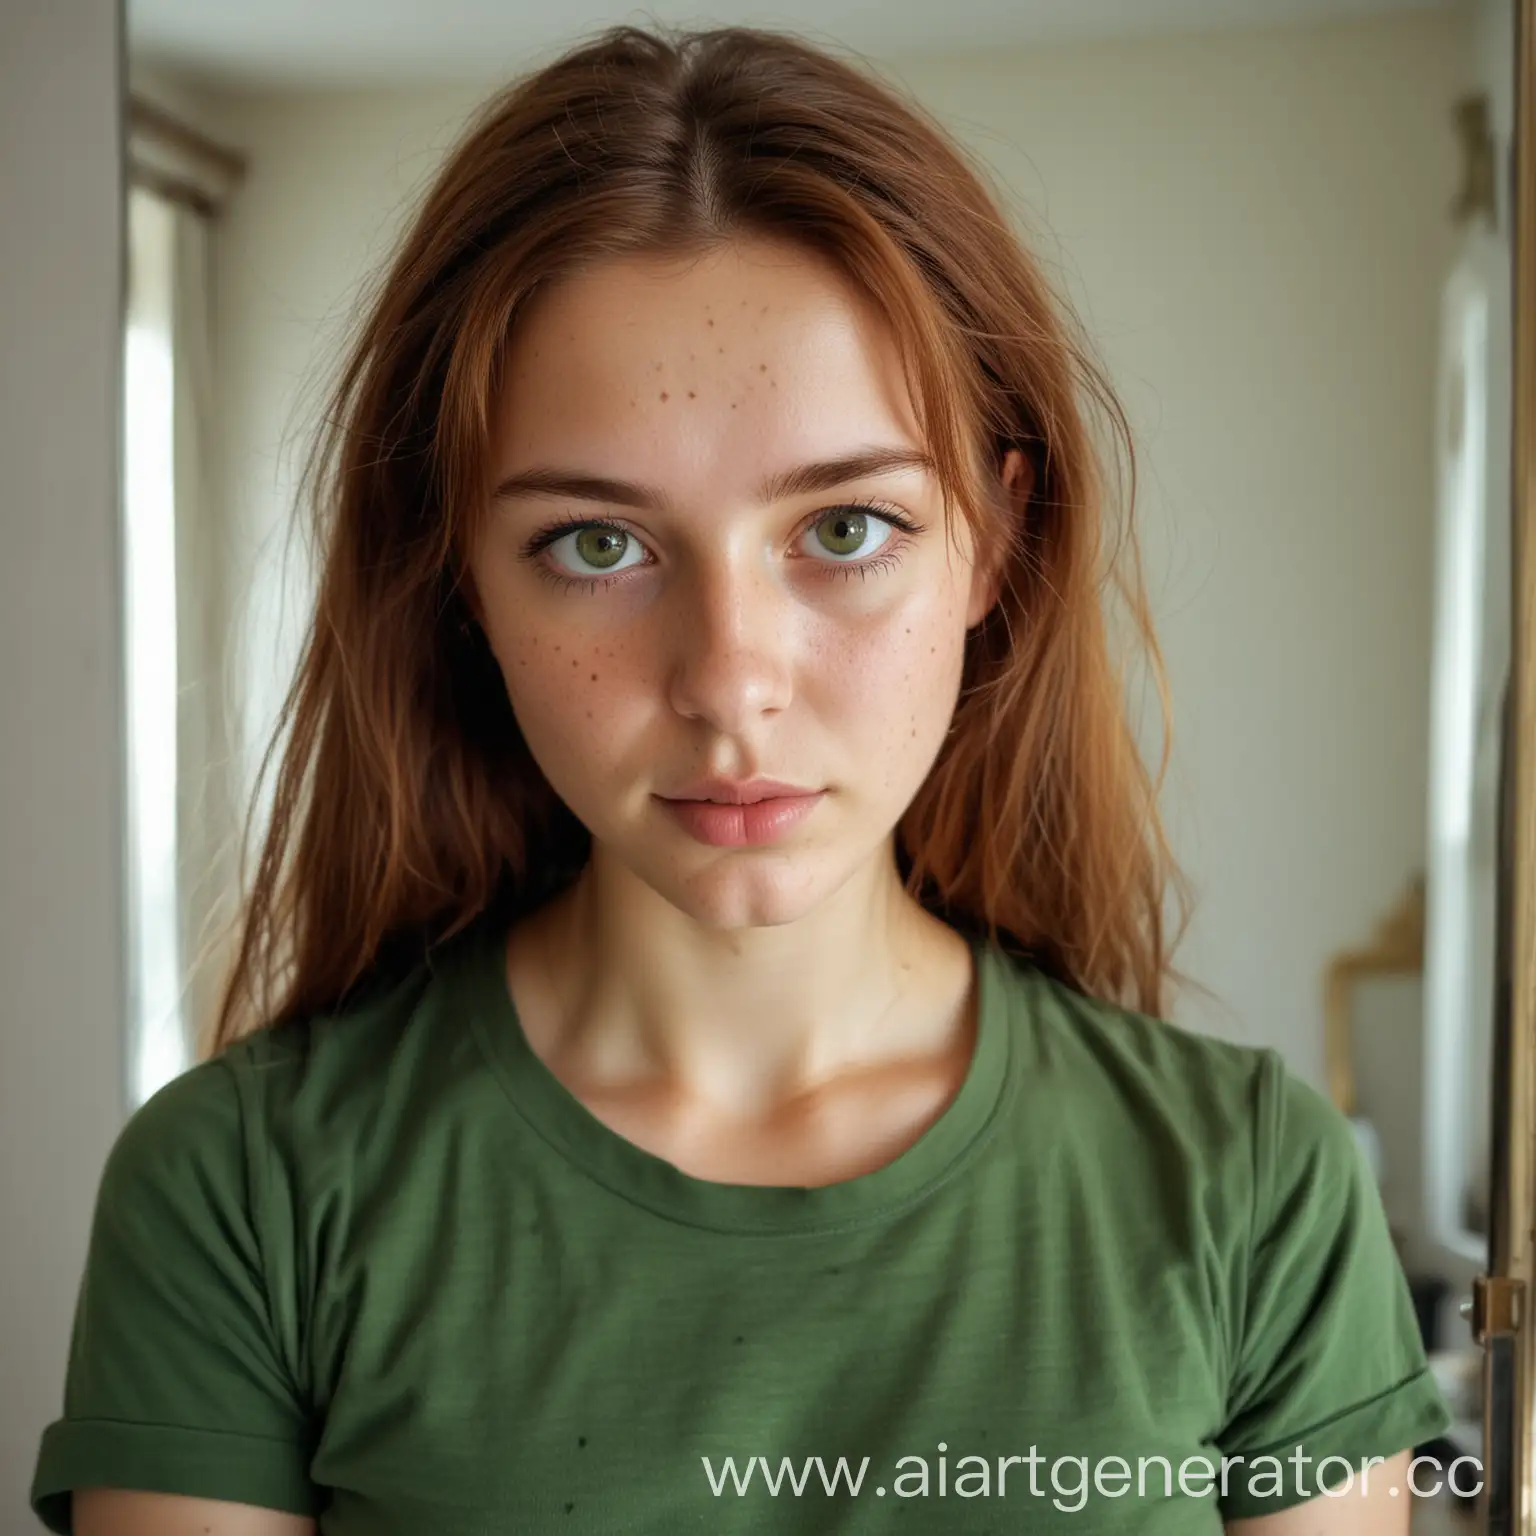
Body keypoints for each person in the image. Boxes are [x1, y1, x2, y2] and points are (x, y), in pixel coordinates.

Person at [32, 23, 1451, 1535]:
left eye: (844, 529)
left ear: (996, 534)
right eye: (597, 545)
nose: (729, 679)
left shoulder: (1253, 1189)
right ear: (464, 580)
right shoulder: (241, 1192)